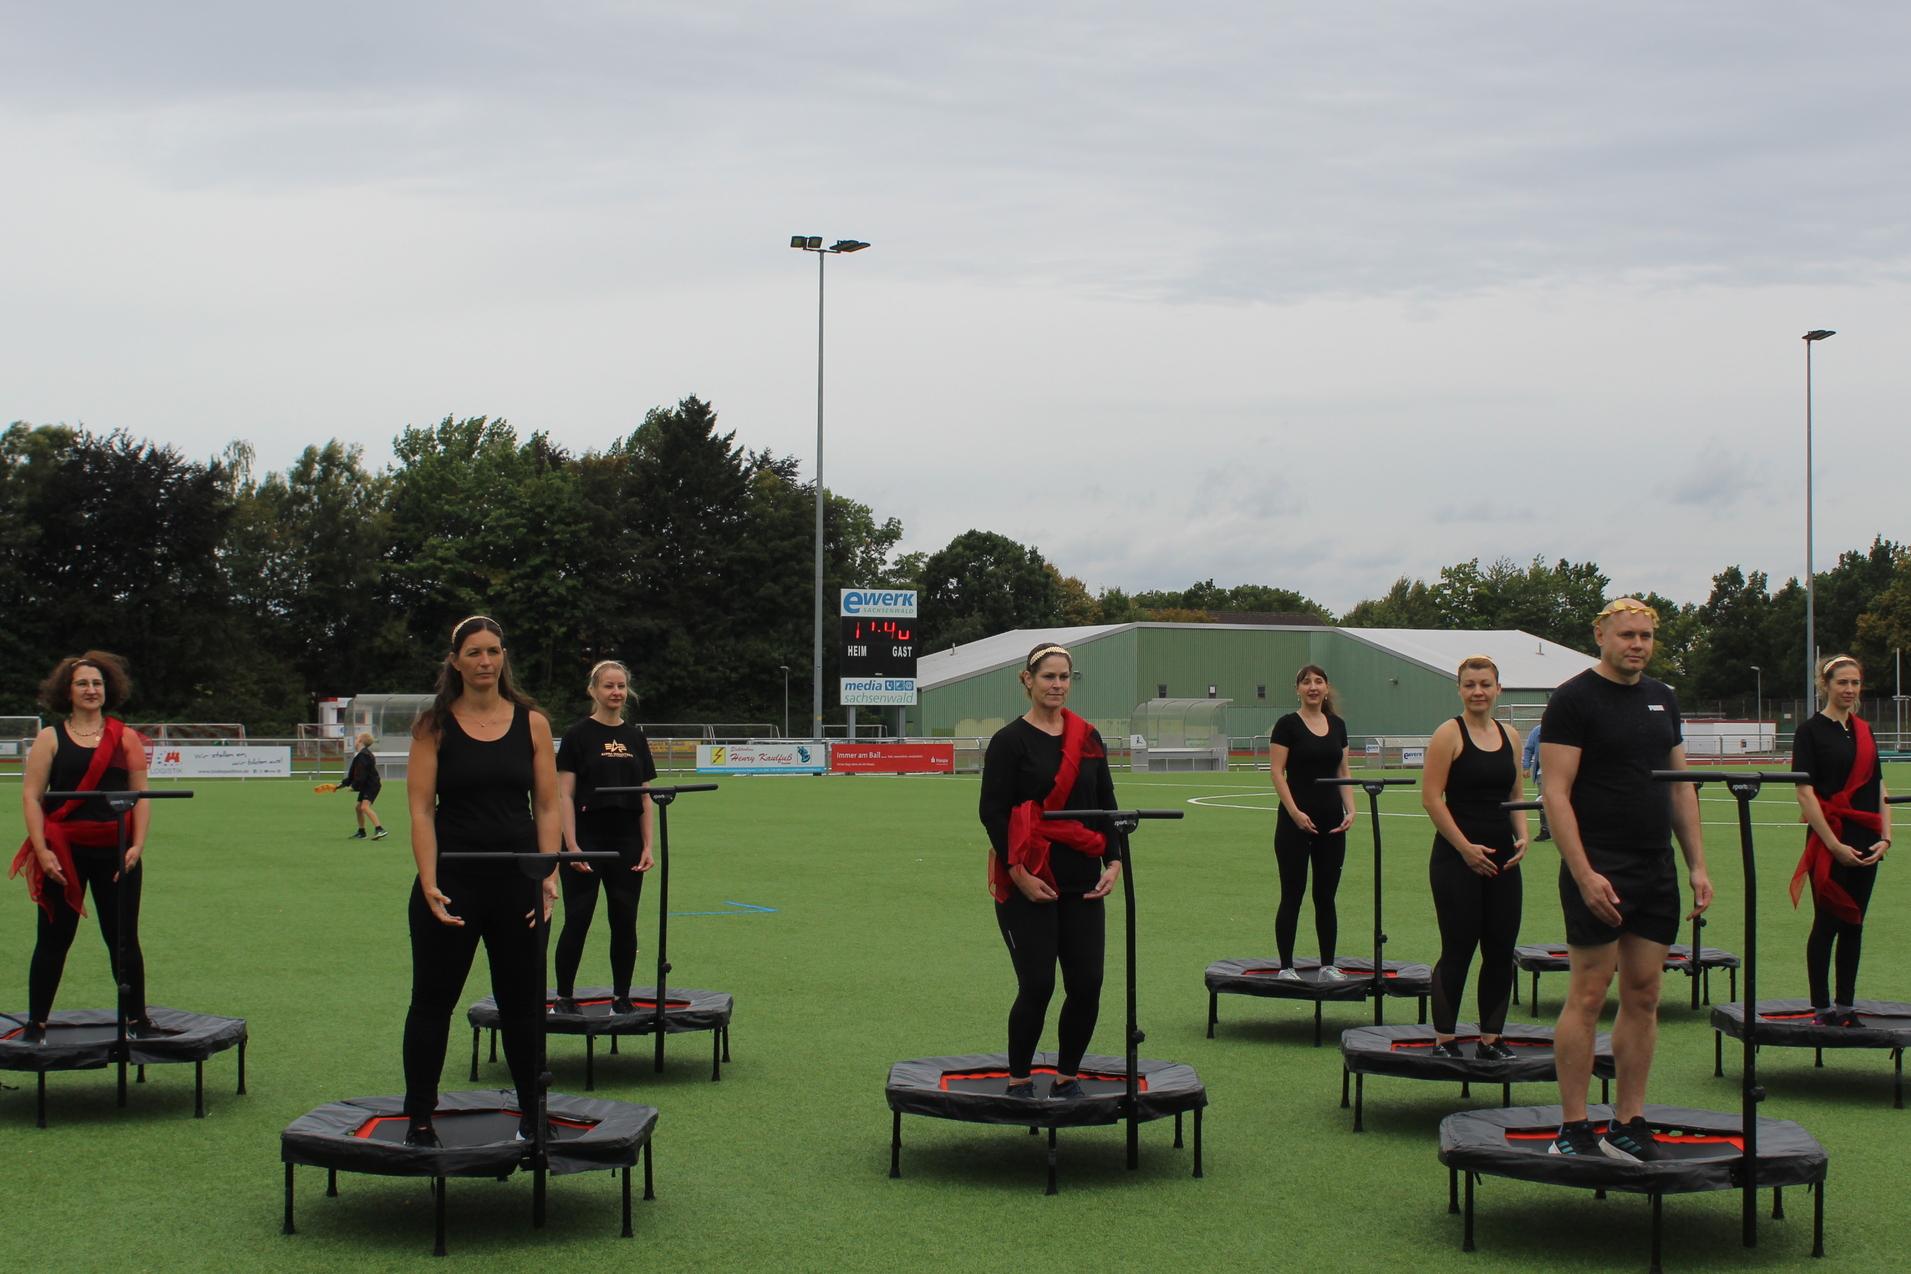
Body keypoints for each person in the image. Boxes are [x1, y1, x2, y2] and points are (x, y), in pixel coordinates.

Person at [1541, 599, 1711, 1162]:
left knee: (1644, 993)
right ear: (1601, 635)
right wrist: (1584, 872)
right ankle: (1573, 1127)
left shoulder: (1663, 698)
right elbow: (1556, 793)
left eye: (1646, 636)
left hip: (1654, 864)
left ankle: (1628, 1120)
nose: (1637, 644)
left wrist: (1696, 865)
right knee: (1589, 994)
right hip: (1600, 864)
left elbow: (1679, 786)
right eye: (1627, 635)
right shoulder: (1573, 699)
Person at [402, 616, 562, 1146]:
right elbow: (422, 810)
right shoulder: (433, 725)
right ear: (456, 661)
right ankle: (420, 1117)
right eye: (473, 652)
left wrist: (549, 873)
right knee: (431, 1002)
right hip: (453, 883)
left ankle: (532, 1114)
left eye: (493, 651)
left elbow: (546, 803)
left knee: (522, 1006)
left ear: (503, 657)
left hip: (519, 882)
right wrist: (429, 880)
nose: (485, 661)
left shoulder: (532, 723)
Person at [979, 643, 1123, 1099]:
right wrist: (1017, 872)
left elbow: (1106, 806)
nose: (1057, 685)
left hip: (1083, 881)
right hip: (1030, 880)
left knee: (1087, 985)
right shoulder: (1009, 741)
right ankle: (1019, 1077)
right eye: (1048, 677)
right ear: (1027, 680)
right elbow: (993, 813)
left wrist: (1113, 861)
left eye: (1064, 677)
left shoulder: (1088, 737)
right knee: (1038, 984)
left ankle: (1067, 1076)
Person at [11, 652, 155, 1040]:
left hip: (116, 850)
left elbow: (140, 795)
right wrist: (42, 851)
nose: (91, 690)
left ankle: (136, 1020)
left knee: (123, 938)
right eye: (82, 684)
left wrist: (137, 845)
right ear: (67, 691)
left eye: (97, 683)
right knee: (54, 939)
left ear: (108, 689)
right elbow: (31, 797)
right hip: (63, 851)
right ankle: (36, 1024)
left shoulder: (125, 737)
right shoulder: (49, 738)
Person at [1419, 656, 1528, 1057]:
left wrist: (1523, 836)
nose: (1478, 692)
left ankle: (1491, 1039)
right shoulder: (1449, 734)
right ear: (1460, 690)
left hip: (1502, 859)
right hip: (1456, 859)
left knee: (1500, 949)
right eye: (1469, 685)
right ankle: (1445, 1039)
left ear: (1498, 688)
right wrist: (1465, 849)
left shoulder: (1511, 736)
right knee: (1459, 948)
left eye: (1485, 684)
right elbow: (1431, 799)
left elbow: (1516, 795)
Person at [1790, 655, 1892, 1026]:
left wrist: (1886, 837)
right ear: (1826, 685)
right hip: (1828, 842)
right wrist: (1833, 845)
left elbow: (1879, 786)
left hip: (1867, 839)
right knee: (1828, 922)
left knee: (1855, 924)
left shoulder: (1864, 730)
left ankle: (1846, 1007)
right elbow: (1805, 793)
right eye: (1842, 683)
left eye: (1855, 683)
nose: (1850, 690)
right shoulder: (1810, 731)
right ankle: (1821, 1008)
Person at [553, 661, 656, 1014]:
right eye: (609, 686)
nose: (616, 692)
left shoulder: (635, 737)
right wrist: (571, 845)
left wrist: (647, 845)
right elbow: (564, 795)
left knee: (624, 920)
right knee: (578, 920)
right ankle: (564, 998)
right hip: (585, 839)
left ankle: (621, 997)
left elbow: (645, 796)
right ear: (593, 690)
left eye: (621, 686)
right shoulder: (577, 735)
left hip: (626, 840)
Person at [1268, 664, 1356, 980]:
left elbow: (1343, 772)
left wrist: (1350, 810)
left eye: (1319, 681)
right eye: (1306, 682)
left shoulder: (1338, 725)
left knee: (1326, 897)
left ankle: (1328, 965)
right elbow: (1277, 772)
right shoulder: (1287, 725)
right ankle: (1286, 966)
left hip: (1331, 822)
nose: (1313, 687)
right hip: (1295, 822)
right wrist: (1294, 812)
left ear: (1327, 688)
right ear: (1298, 689)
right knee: (1292, 894)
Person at [341, 733, 388, 840]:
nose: (355, 740)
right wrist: (344, 783)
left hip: (371, 785)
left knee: (364, 807)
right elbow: (355, 773)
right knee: (358, 807)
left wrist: (354, 786)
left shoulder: (363, 755)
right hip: (367, 785)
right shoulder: (362, 755)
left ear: (360, 740)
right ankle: (361, 832)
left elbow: (362, 774)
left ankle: (380, 829)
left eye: (357, 738)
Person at [1521, 719, 1550, 841]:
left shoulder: (1563, 729)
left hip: (1562, 772)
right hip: (1542, 772)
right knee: (1542, 800)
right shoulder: (1537, 731)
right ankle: (1545, 829)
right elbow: (1529, 749)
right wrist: (1526, 767)